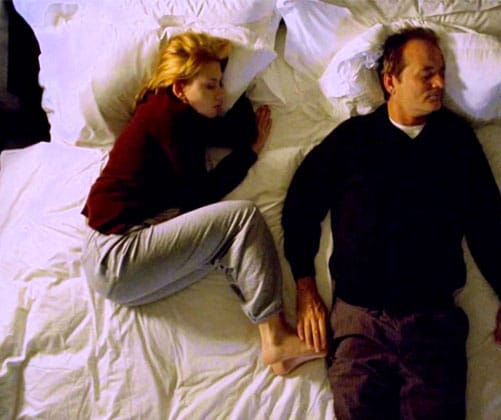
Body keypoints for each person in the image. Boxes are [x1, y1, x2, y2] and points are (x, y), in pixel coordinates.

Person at [282, 27, 501, 418]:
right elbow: (301, 203)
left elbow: (485, 220)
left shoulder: (457, 142)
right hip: (359, 322)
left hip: (432, 321)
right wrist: (305, 285)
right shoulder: (352, 139)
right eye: (427, 73)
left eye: (442, 72)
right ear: (390, 81)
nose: (440, 83)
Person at [80, 31, 324, 376]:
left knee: (227, 246)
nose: (220, 94)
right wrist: (249, 155)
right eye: (210, 86)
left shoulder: (186, 118)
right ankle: (276, 338)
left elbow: (241, 131)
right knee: (242, 219)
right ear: (180, 88)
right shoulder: (167, 116)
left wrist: (227, 81)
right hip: (116, 253)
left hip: (124, 267)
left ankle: (276, 344)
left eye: (221, 84)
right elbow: (199, 196)